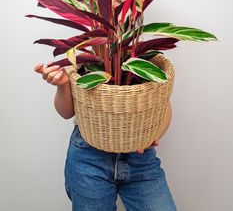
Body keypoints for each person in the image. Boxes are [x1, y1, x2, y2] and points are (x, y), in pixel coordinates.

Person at [34, 63, 177, 211]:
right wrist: (62, 84)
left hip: (139, 159)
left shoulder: (145, 57)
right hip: (89, 158)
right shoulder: (79, 58)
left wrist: (152, 137)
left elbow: (163, 106)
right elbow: (66, 113)